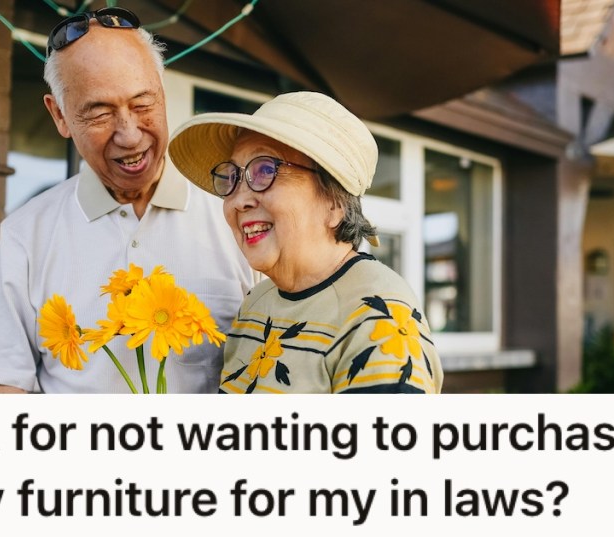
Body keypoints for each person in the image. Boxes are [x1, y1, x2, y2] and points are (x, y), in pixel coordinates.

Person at [0, 7, 254, 393]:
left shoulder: (237, 215)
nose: (130, 135)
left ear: (162, 92)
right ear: (60, 116)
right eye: (99, 113)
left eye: (142, 104)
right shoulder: (26, 233)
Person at [169, 91, 443, 394]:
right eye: (232, 176)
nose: (239, 200)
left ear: (333, 203)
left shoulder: (380, 318)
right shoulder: (256, 304)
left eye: (265, 170)